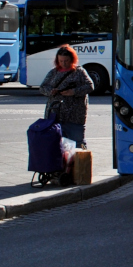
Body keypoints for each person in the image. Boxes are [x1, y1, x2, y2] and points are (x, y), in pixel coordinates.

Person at [39, 45, 94, 176]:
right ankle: (60, 171)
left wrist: (73, 92)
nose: (63, 63)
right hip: (56, 114)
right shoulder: (53, 72)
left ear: (72, 60)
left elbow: (90, 86)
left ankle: (80, 171)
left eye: (66, 61)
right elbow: (42, 87)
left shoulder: (79, 72)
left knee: (78, 143)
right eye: (61, 61)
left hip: (75, 115)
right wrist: (50, 91)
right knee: (58, 144)